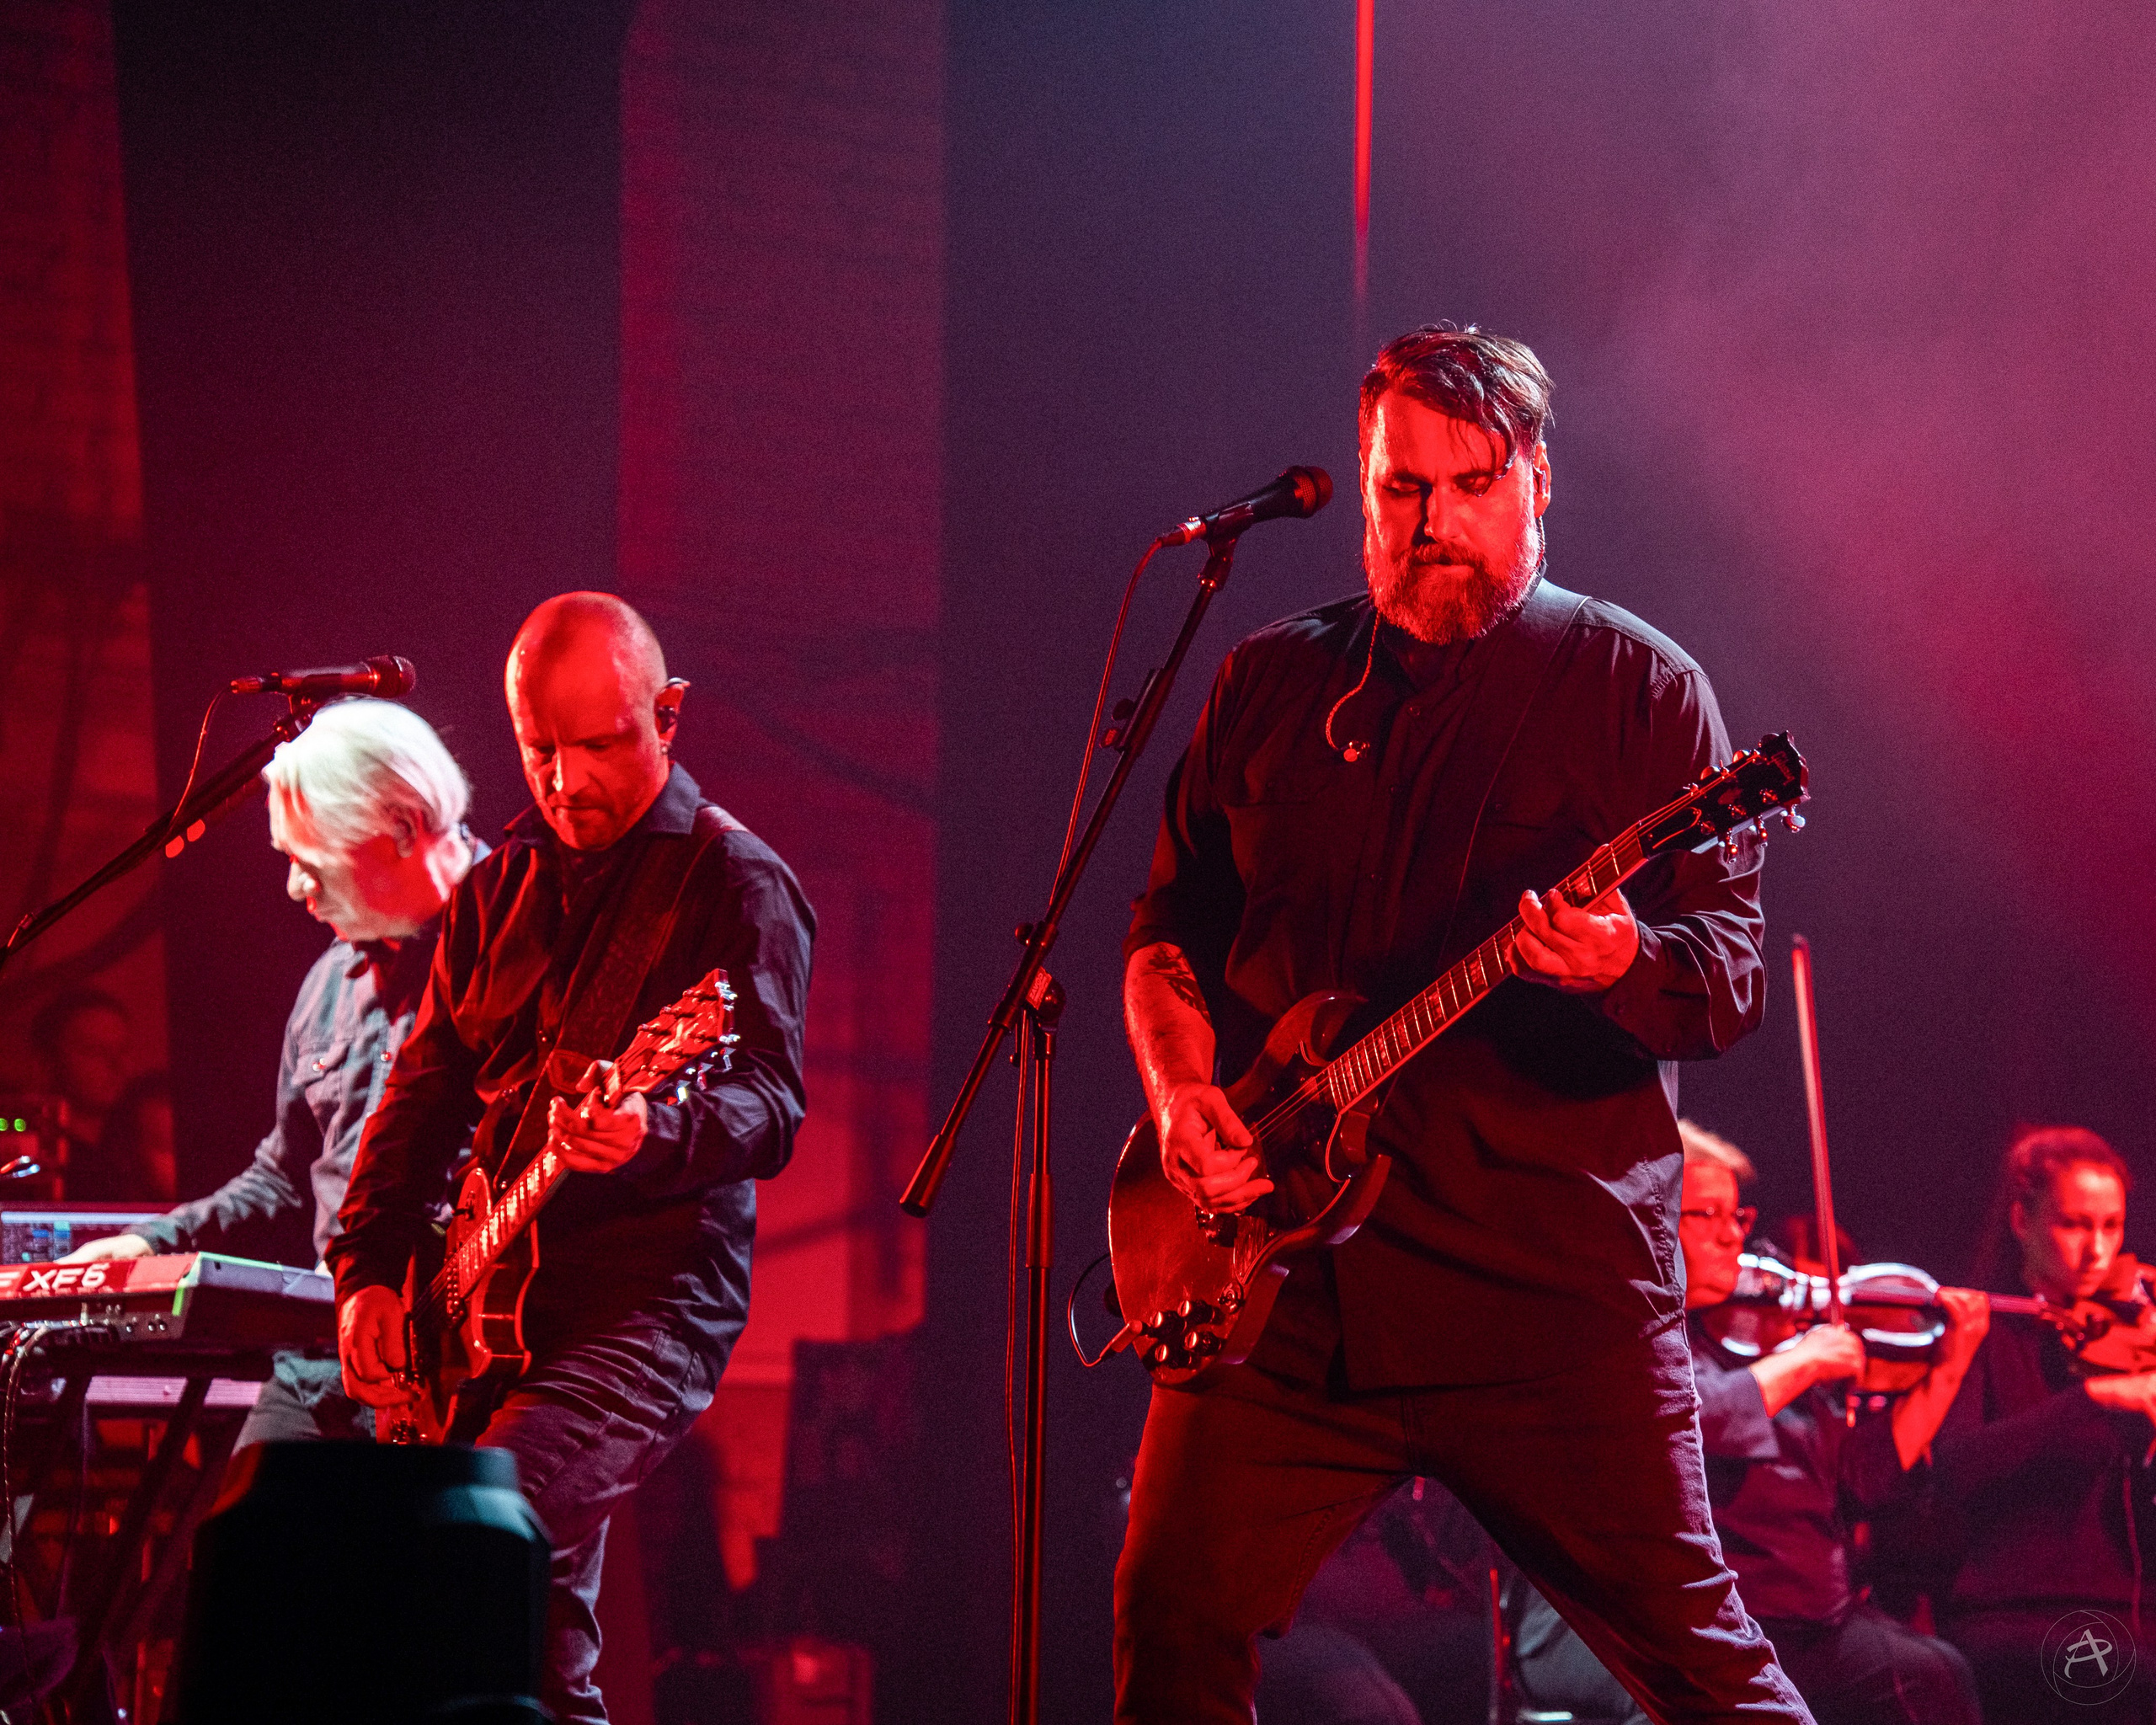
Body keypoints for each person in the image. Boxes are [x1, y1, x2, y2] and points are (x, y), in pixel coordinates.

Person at [1113, 323, 1813, 1723]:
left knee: (1708, 1675)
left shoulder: (1642, 691)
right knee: (1165, 1620)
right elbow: (1164, 937)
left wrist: (1617, 958)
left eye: (1467, 485)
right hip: (1287, 1293)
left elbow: (1725, 975)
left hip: (1545, 1296)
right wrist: (1184, 1090)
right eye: (1396, 489)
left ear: (1537, 480)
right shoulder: (1269, 682)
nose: (1428, 525)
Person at [330, 591, 814, 1725]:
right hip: (484, 1306)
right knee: (526, 1652)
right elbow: (423, 1091)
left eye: (598, 746)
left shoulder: (733, 885)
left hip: (640, 1312)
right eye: (539, 750)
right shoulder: (501, 885)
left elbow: (771, 1105)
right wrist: (368, 1268)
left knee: (475, 1539)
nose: (565, 781)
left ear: (669, 715)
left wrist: (653, 1133)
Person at [62, 697, 479, 1449]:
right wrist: (153, 1245)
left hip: (474, 1353)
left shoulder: (523, 948)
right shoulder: (327, 989)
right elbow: (284, 1181)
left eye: (308, 861)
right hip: (330, 1354)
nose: (294, 888)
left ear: (403, 828)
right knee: (239, 1554)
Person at [1512, 1120, 1986, 1725]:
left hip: (1796, 1622)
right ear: (1648, 1220)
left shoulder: (1749, 1336)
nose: (1733, 1238)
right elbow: (1688, 1416)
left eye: (1736, 1217)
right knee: (1698, 1698)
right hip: (1618, 1620)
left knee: (1936, 1677)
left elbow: (1862, 1476)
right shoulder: (1610, 1326)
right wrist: (1800, 1361)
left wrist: (1947, 1371)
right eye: (1706, 1215)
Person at [1924, 1125, 2155, 1723]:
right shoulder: (1982, 1331)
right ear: (2023, 1221)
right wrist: (2093, 1399)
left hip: (2129, 1601)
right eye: (2075, 1224)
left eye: (2111, 1226)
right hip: (2015, 1607)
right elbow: (1956, 1469)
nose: (2097, 1250)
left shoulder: (2137, 1332)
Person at [29, 986, 134, 1190]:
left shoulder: (132, 1153)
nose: (117, 1064)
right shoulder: (37, 1162)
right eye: (95, 1050)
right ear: (48, 1061)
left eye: (122, 1050)